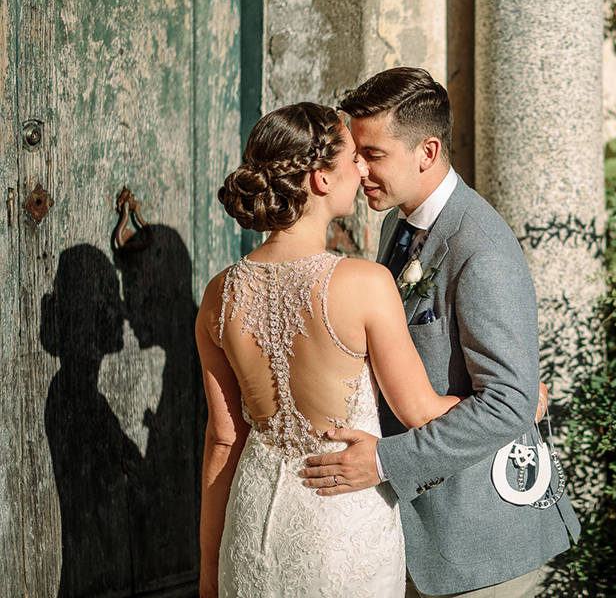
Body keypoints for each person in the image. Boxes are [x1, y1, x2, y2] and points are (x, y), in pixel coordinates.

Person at [301, 68, 581, 597]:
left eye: (373, 155)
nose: (357, 169)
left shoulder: (483, 250)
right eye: (355, 154)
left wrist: (384, 461)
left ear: (426, 152)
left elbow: (508, 406)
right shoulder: (398, 225)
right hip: (421, 533)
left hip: (480, 543)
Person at [196, 103, 466, 597]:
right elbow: (420, 411)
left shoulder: (219, 294)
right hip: (342, 526)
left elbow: (222, 440)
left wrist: (210, 577)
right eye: (352, 159)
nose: (362, 168)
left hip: (251, 526)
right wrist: (510, 401)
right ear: (321, 179)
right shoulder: (365, 283)